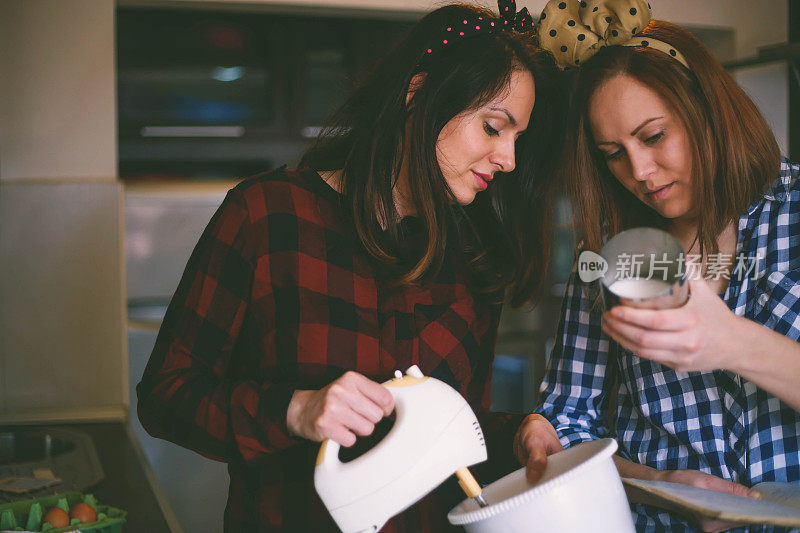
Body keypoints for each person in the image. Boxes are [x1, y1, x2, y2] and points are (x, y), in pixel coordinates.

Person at [136, 1, 564, 530]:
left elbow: (451, 430)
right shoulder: (267, 215)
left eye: (518, 138)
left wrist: (517, 433)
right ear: (417, 96)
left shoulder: (472, 260)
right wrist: (295, 411)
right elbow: (165, 396)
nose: (509, 159)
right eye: (494, 127)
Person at [513, 1, 800, 532]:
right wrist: (659, 485)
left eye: (652, 136)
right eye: (612, 154)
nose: (640, 172)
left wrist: (733, 342)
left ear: (707, 111)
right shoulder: (607, 254)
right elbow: (567, 419)